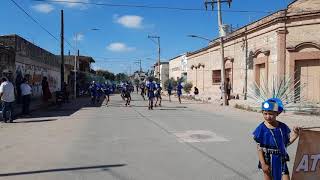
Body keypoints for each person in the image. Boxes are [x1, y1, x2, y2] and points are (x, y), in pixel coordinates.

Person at [253, 98, 301, 180]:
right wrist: (263, 164)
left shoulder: (283, 127)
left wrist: (296, 134)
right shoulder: (261, 129)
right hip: (267, 159)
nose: (268, 116)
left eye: (271, 114)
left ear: (277, 113)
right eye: (265, 113)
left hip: (281, 159)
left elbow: (286, 143)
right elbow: (259, 148)